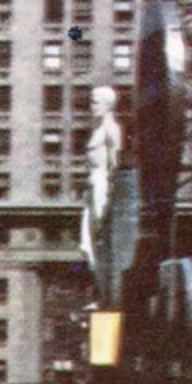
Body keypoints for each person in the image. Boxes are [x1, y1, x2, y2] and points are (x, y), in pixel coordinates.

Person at [82, 84, 123, 307]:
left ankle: (104, 295)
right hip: (91, 186)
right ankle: (100, 293)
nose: (91, 106)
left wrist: (110, 194)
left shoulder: (111, 129)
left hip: (102, 184)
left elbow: (115, 163)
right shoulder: (98, 129)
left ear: (108, 105)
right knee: (88, 245)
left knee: (100, 240)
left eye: (95, 102)